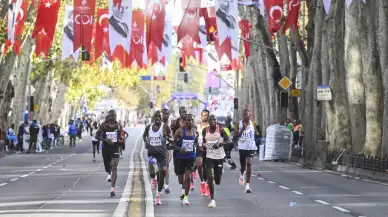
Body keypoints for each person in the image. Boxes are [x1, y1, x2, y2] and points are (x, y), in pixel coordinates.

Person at [143, 110, 171, 205]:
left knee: (163, 172)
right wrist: (146, 142)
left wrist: (166, 137)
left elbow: (171, 137)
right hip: (152, 153)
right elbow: (144, 136)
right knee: (152, 169)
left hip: (162, 154)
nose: (158, 118)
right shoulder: (149, 127)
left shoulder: (165, 127)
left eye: (160, 116)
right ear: (153, 118)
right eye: (156, 116)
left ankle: (158, 196)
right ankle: (153, 178)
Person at [202, 115, 230, 207]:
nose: (212, 122)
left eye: (214, 120)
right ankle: (212, 200)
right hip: (209, 156)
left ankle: (219, 172)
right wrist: (203, 146)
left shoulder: (220, 129)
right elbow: (203, 142)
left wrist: (219, 145)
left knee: (217, 181)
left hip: (219, 157)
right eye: (210, 120)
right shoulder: (204, 131)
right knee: (210, 176)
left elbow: (228, 140)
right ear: (208, 122)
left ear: (216, 121)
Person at [172, 114, 198, 205]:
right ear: (185, 121)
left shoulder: (195, 131)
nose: (190, 122)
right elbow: (173, 144)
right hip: (181, 158)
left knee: (187, 178)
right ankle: (184, 187)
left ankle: (186, 197)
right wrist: (180, 149)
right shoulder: (180, 131)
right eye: (188, 120)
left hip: (191, 158)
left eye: (192, 120)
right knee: (181, 180)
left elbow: (197, 143)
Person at [96, 110, 121, 197]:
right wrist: (105, 140)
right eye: (112, 115)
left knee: (114, 167)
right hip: (106, 148)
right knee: (108, 166)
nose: (113, 117)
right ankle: (108, 173)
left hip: (115, 148)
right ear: (109, 116)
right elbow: (97, 136)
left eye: (115, 115)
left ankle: (112, 189)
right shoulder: (103, 125)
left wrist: (120, 138)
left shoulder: (118, 125)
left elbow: (121, 136)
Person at [234, 109, 257, 193]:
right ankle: (241, 174)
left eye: (247, 114)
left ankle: (247, 186)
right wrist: (242, 129)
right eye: (244, 114)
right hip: (242, 147)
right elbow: (235, 135)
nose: (245, 116)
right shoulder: (239, 124)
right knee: (243, 166)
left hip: (251, 146)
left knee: (249, 163)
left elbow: (253, 134)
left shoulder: (252, 123)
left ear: (250, 115)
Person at [196, 109, 210, 196]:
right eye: (204, 115)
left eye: (206, 115)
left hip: (208, 149)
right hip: (199, 148)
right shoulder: (197, 126)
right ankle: (202, 182)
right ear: (201, 116)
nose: (205, 117)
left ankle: (207, 184)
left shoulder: (211, 125)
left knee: (207, 168)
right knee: (199, 164)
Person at [170, 106, 187, 177]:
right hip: (178, 146)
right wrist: (172, 139)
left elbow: (195, 131)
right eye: (182, 112)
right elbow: (170, 131)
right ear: (179, 113)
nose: (184, 113)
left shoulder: (189, 121)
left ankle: (188, 181)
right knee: (178, 172)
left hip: (187, 146)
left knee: (188, 168)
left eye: (185, 112)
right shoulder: (175, 122)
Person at [161, 108, 173, 194]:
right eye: (164, 113)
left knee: (166, 166)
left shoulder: (172, 123)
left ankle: (166, 186)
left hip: (169, 146)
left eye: (167, 114)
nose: (165, 115)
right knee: (159, 167)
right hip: (159, 147)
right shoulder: (157, 123)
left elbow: (174, 135)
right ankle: (158, 180)